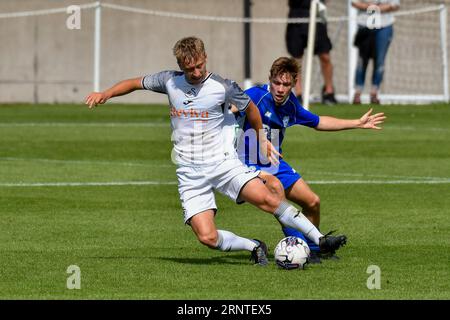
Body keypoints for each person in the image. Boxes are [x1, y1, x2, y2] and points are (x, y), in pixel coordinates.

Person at [84, 37, 347, 268]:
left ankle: (320, 240)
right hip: (189, 172)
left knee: (268, 199)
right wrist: (105, 93)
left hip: (223, 164)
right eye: (190, 69)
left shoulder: (223, 87)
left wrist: (259, 137)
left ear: (205, 58)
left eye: (199, 66)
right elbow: (135, 82)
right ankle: (254, 247)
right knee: (207, 237)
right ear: (181, 65)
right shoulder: (169, 81)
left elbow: (252, 111)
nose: (196, 72)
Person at [234, 57, 385, 262]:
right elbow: (229, 107)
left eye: (286, 84)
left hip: (274, 163)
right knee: (279, 198)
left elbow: (318, 121)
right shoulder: (255, 96)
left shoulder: (291, 105)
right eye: (276, 83)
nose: (280, 89)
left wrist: (356, 123)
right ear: (270, 80)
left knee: (312, 202)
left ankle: (314, 248)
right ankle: (297, 248)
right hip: (248, 165)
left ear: (294, 84)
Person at [285, 0, 337, 105]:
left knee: (325, 56)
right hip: (297, 14)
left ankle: (329, 91)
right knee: (296, 58)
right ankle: (299, 94)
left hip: (318, 13)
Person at [352, 0, 400, 104]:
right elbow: (354, 2)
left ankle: (374, 92)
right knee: (361, 61)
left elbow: (395, 5)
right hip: (364, 26)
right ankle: (358, 92)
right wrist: (371, 7)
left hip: (384, 26)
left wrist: (376, 8)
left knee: (379, 61)